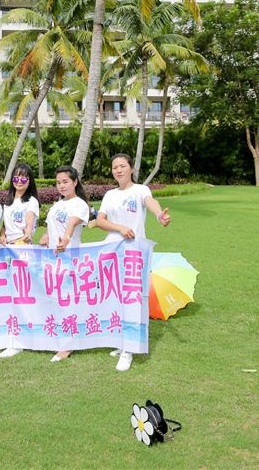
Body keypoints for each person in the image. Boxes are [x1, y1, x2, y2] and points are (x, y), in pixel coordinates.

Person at [95, 153, 171, 372]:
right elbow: (100, 220)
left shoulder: (140, 190)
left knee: (132, 298)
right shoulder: (110, 195)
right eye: (115, 167)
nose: (118, 170)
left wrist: (159, 215)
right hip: (112, 251)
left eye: (122, 166)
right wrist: (119, 228)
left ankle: (128, 349)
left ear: (131, 169)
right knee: (115, 297)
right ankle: (121, 341)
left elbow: (151, 202)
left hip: (133, 254)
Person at [39, 165, 90, 363]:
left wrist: (67, 237)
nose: (61, 186)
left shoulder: (79, 204)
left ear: (75, 182)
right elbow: (52, 226)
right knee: (55, 299)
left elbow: (72, 223)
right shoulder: (57, 204)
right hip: (53, 259)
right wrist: (46, 235)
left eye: (65, 182)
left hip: (69, 259)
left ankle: (67, 346)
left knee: (68, 300)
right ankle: (60, 336)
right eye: (58, 182)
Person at [0, 164, 39, 359]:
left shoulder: (31, 201)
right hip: (8, 250)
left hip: (23, 250)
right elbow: (5, 225)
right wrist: (2, 234)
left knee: (23, 294)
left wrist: (28, 232)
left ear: (29, 181)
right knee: (10, 294)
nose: (19, 181)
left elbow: (29, 222)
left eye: (24, 178)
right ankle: (14, 335)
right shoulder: (7, 201)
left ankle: (21, 338)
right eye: (16, 177)